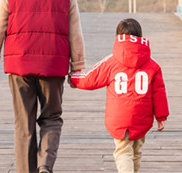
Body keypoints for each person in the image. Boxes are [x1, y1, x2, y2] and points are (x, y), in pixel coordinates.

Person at [0, 0, 85, 173]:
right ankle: (45, 166)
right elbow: (75, 32)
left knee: (24, 124)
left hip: (19, 65)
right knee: (52, 117)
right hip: (53, 65)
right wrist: (77, 66)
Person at [69, 18, 169, 173]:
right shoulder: (152, 65)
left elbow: (91, 79)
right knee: (136, 152)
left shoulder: (112, 61)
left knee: (123, 151)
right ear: (140, 36)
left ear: (118, 36)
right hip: (142, 117)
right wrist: (161, 116)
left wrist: (74, 78)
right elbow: (159, 92)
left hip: (119, 117)